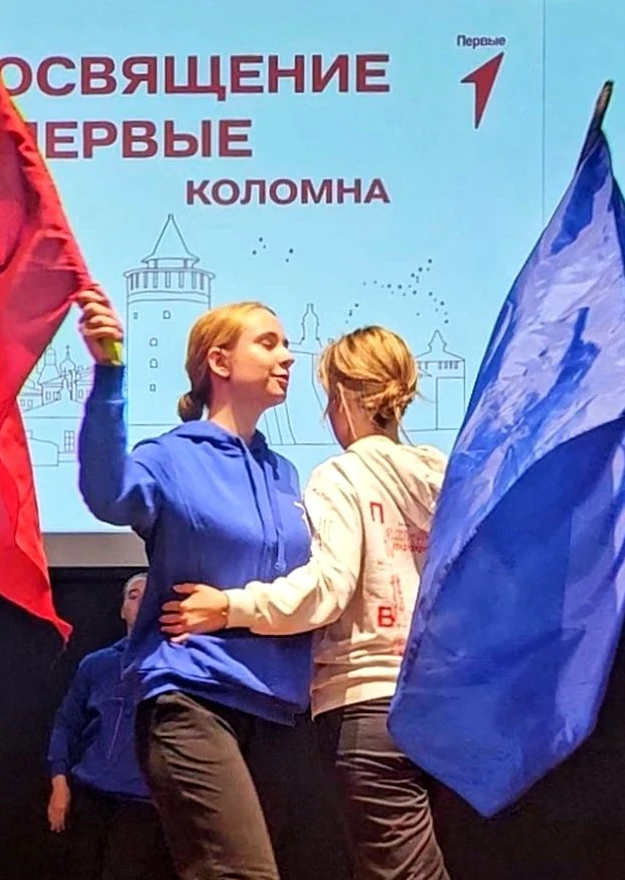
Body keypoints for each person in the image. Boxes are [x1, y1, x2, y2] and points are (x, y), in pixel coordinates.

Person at [159, 326, 452, 880]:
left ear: (340, 396)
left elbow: (327, 589)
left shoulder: (342, 475)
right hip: (440, 704)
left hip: (366, 703)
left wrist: (231, 607)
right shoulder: (444, 478)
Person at [75, 286, 313, 880]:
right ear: (219, 362)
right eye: (268, 342)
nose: (288, 355)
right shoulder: (172, 458)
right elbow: (107, 494)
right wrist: (109, 375)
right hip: (191, 695)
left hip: (277, 710)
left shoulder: (285, 474)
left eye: (286, 343)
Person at [46, 571, 176, 880]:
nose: (140, 602)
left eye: (148, 595)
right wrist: (59, 782)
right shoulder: (96, 664)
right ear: (122, 609)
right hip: (89, 795)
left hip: (143, 804)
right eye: (133, 596)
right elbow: (66, 723)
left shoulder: (180, 666)